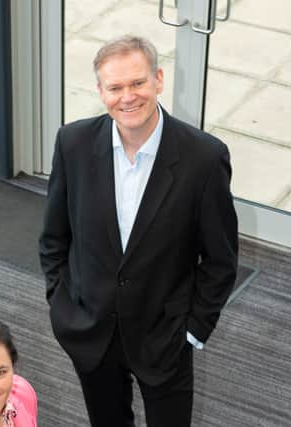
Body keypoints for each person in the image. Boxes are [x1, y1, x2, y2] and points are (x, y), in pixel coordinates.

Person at [39, 35, 238, 426]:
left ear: (158, 80)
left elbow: (220, 260)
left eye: (137, 83)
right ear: (101, 91)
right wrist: (62, 304)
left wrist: (193, 330)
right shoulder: (73, 143)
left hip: (165, 336)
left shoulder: (204, 158)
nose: (127, 97)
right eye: (115, 87)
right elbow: (54, 237)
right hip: (91, 330)